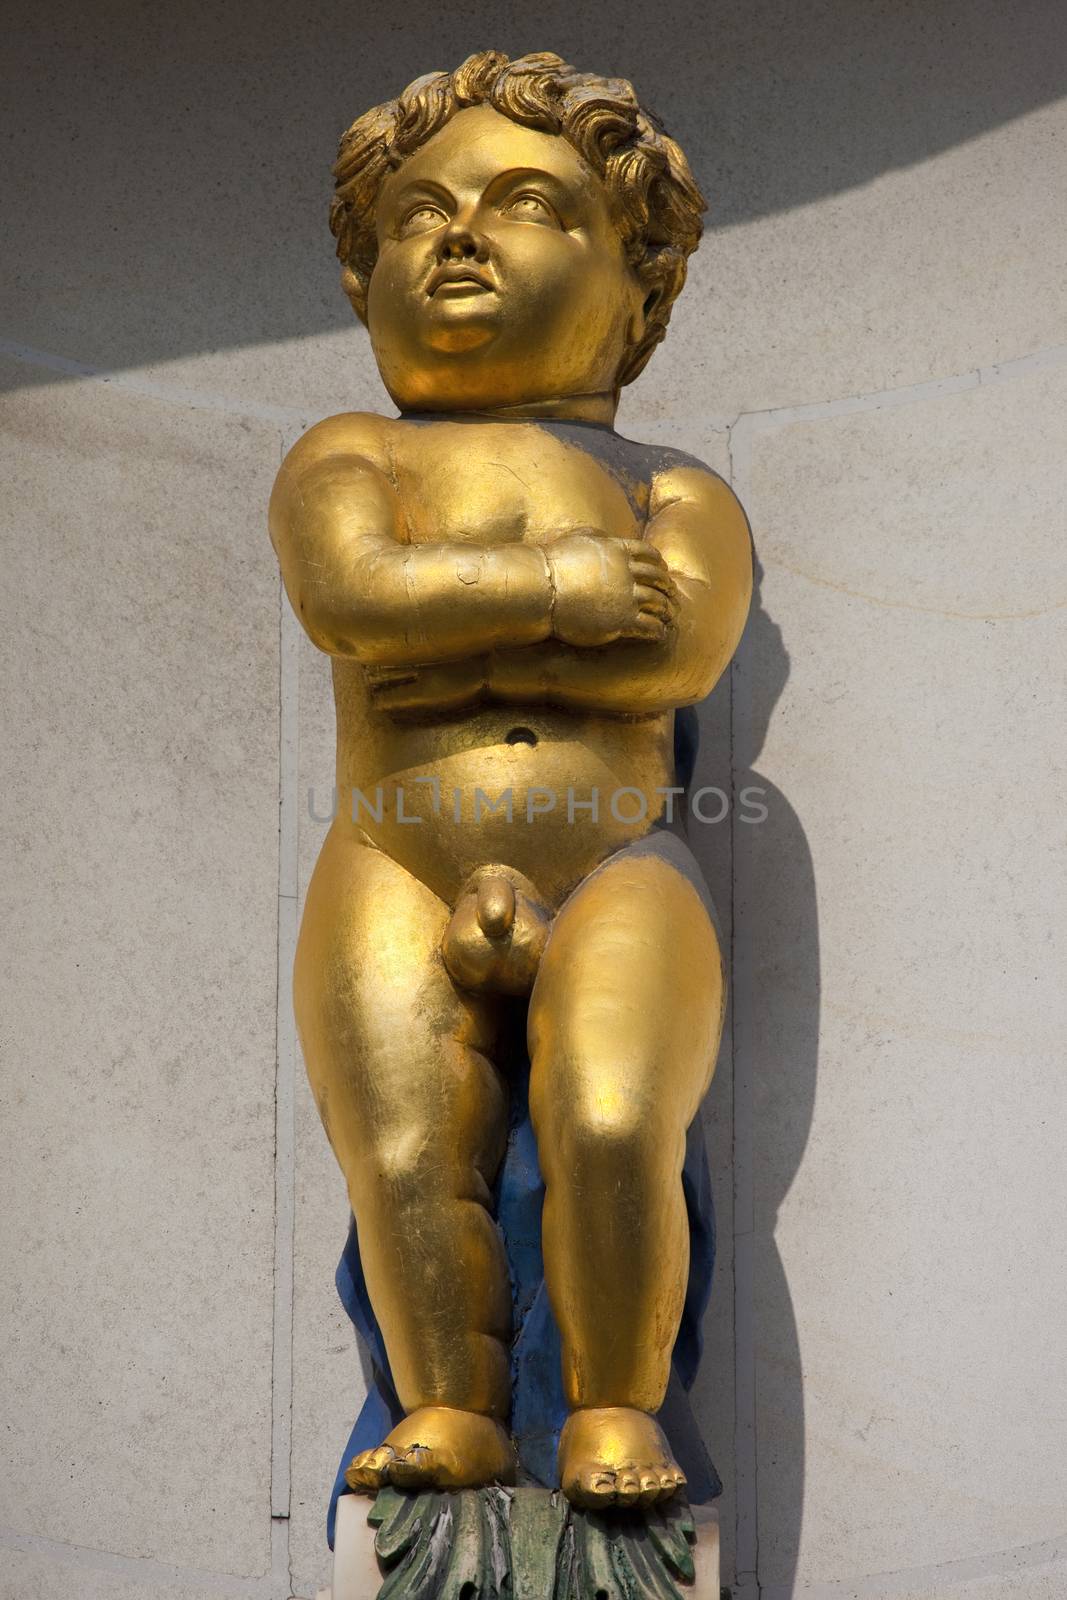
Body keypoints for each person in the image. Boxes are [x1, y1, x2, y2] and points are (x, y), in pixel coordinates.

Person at [269, 50, 752, 1510]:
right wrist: (559, 590)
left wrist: (448, 641)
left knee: (612, 1118)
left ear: (639, 287)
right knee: (403, 1150)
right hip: (389, 863)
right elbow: (351, 597)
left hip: (614, 862)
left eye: (525, 202)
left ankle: (613, 1404)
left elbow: (674, 658)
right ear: (367, 280)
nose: (461, 233)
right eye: (418, 214)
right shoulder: (343, 452)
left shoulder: (677, 489)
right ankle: (451, 1409)